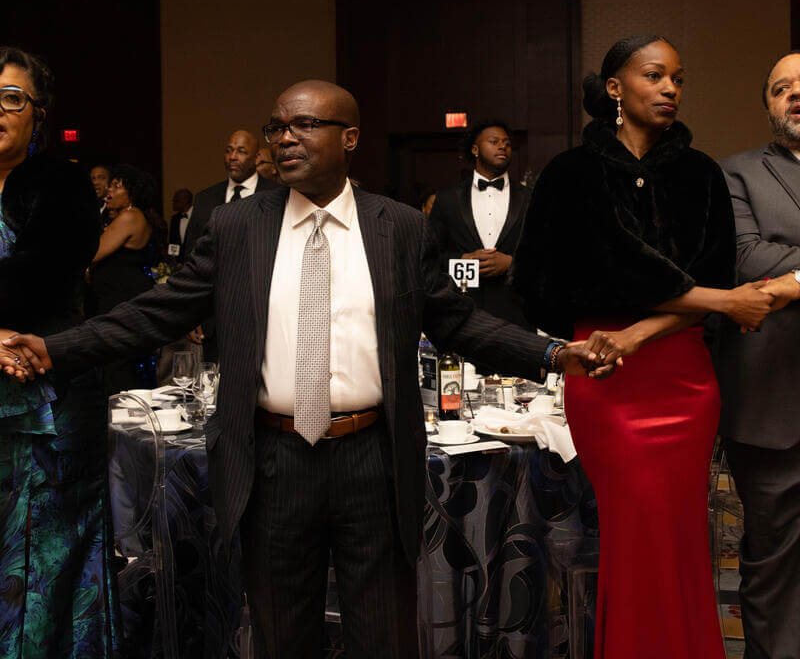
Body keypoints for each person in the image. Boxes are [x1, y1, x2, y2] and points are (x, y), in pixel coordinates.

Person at [4, 79, 608, 659]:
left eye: (304, 124)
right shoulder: (238, 226)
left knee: (383, 638)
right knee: (281, 639)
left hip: (373, 459)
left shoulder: (399, 227)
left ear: (350, 138)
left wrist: (552, 355)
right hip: (272, 462)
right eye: (277, 127)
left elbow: (458, 322)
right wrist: (56, 348)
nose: (284, 138)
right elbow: (155, 313)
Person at [513, 35, 776, 659]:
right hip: (603, 372)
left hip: (683, 377)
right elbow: (545, 286)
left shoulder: (701, 174)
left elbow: (709, 284)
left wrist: (649, 323)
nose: (670, 89)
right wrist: (711, 299)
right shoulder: (570, 174)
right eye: (655, 76)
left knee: (682, 536)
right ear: (615, 88)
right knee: (633, 535)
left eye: (678, 79)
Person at [0, 46, 121, 657]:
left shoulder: (62, 184)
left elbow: (40, 279)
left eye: (11, 98)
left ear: (38, 113)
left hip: (50, 394)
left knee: (48, 550)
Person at [714, 50, 800, 659]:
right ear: (768, 106)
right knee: (774, 567)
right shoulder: (735, 174)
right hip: (775, 408)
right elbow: (746, 259)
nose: (795, 94)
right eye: (781, 88)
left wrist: (791, 280)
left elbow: (776, 262)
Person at [183, 129, 278, 361]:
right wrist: (190, 314)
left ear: (256, 157)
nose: (233, 157)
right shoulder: (205, 198)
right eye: (229, 150)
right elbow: (191, 258)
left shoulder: (277, 195)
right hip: (213, 320)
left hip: (265, 316)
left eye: (241, 151)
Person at [429, 120, 530, 325]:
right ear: (475, 149)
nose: (502, 147)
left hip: (516, 312)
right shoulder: (447, 200)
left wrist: (511, 263)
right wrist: (462, 259)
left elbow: (548, 252)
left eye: (507, 144)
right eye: (494, 142)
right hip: (462, 311)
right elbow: (430, 255)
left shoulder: (530, 198)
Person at [87, 164, 159, 392]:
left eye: (117, 186)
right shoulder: (129, 216)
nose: (109, 190)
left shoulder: (130, 216)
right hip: (120, 301)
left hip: (121, 303)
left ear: (132, 194)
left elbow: (93, 253)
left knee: (119, 370)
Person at [167, 187, 193, 261]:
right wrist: (174, 261)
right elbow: (173, 242)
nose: (173, 202)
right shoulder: (174, 219)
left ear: (186, 200)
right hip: (179, 263)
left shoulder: (199, 216)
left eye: (176, 200)